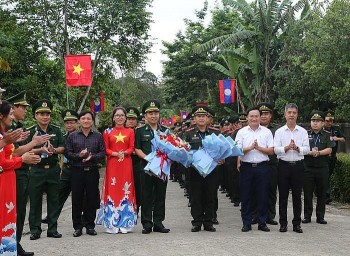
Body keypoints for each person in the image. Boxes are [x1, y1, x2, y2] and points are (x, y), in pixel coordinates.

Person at [7, 92, 51, 255]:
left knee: (19, 212)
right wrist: (34, 143)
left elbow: (20, 150)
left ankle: (16, 244)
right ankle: (14, 245)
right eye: (22, 108)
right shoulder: (10, 128)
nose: (25, 111)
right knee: (15, 212)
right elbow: (15, 153)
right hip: (14, 172)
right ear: (13, 108)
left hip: (21, 172)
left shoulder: (18, 126)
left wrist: (38, 148)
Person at [0, 100, 41, 256]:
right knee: (4, 215)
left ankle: (9, 249)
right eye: (10, 113)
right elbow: (3, 163)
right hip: (4, 180)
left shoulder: (5, 134)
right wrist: (22, 160)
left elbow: (9, 155)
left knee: (10, 214)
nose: (12, 117)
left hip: (9, 179)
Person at [26, 100, 65, 240]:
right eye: (41, 114)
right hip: (36, 170)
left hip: (53, 170)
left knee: (54, 200)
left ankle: (52, 229)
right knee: (35, 201)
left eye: (47, 114)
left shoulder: (56, 130)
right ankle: (35, 230)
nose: (45, 116)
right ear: (35, 115)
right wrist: (40, 149)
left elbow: (63, 147)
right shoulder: (30, 131)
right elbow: (25, 150)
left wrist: (54, 150)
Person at [65, 110, 106, 237]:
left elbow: (102, 153)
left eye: (88, 118)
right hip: (77, 171)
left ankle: (90, 225)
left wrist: (92, 157)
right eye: (83, 118)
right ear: (79, 120)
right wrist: (79, 155)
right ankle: (77, 227)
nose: (86, 121)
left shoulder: (98, 136)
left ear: (92, 121)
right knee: (76, 199)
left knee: (91, 198)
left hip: (92, 171)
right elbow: (68, 153)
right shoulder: (72, 136)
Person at [97, 107, 137, 234]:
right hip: (113, 163)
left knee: (126, 190)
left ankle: (126, 223)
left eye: (122, 115)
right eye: (117, 115)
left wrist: (124, 153)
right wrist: (115, 153)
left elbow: (132, 147)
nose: (120, 117)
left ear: (125, 118)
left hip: (126, 163)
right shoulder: (107, 132)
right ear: (113, 117)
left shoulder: (130, 131)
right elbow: (105, 149)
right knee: (113, 190)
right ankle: (111, 223)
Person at [235, 107, 274, 232]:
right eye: (251, 116)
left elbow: (271, 150)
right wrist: (250, 147)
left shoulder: (267, 132)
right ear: (247, 118)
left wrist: (259, 148)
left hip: (262, 167)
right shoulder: (241, 132)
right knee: (246, 196)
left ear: (260, 118)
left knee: (262, 195)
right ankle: (246, 223)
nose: (254, 118)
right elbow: (237, 150)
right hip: (246, 167)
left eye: (256, 116)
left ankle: (262, 222)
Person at [184, 106, 222, 232]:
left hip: (212, 171)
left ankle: (209, 222)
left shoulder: (215, 133)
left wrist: (223, 159)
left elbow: (222, 149)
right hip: (194, 170)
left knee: (210, 195)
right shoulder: (188, 134)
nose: (201, 118)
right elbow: (183, 151)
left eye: (203, 116)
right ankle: (197, 222)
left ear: (208, 118)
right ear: (194, 119)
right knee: (195, 196)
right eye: (198, 116)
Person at [135, 100, 170, 234]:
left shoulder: (165, 131)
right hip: (146, 167)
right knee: (146, 195)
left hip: (162, 168)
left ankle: (158, 222)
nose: (153, 115)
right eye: (150, 113)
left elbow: (171, 148)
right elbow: (137, 148)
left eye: (155, 113)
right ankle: (147, 223)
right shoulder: (139, 131)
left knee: (160, 195)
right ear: (145, 115)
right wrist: (149, 159)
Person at [274, 103, 310, 233]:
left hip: (298, 166)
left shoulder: (303, 131)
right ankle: (283, 223)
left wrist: (297, 148)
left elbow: (307, 149)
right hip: (283, 165)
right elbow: (276, 150)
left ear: (297, 115)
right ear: (285, 114)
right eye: (289, 112)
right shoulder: (279, 132)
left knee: (296, 196)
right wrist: (287, 147)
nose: (291, 115)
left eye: (294, 113)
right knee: (283, 196)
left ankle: (297, 224)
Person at [302, 111, 334, 225]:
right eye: (313, 121)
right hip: (308, 168)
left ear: (322, 123)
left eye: (318, 121)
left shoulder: (326, 134)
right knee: (307, 193)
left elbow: (329, 150)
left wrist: (319, 153)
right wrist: (310, 152)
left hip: (322, 168)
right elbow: (301, 149)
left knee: (321, 193)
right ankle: (307, 216)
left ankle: (320, 216)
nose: (315, 123)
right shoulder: (305, 134)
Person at [252, 102, 279, 225]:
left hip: (272, 164)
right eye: (261, 114)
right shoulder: (252, 129)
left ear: (271, 116)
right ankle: (255, 215)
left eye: (266, 113)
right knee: (255, 190)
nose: (263, 116)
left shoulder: (277, 130)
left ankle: (270, 215)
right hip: (257, 163)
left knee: (271, 190)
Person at [323, 110, 346, 204]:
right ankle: (326, 196)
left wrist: (337, 138)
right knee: (325, 176)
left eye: (331, 121)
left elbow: (344, 139)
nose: (329, 123)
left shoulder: (336, 129)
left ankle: (324, 195)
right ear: (324, 121)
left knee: (327, 176)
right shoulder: (321, 129)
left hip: (332, 157)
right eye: (327, 121)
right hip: (323, 157)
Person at [125, 106, 142, 214]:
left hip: (137, 162)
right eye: (129, 119)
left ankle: (136, 208)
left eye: (133, 119)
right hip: (124, 162)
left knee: (138, 187)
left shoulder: (139, 133)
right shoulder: (120, 132)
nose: (131, 121)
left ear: (136, 121)